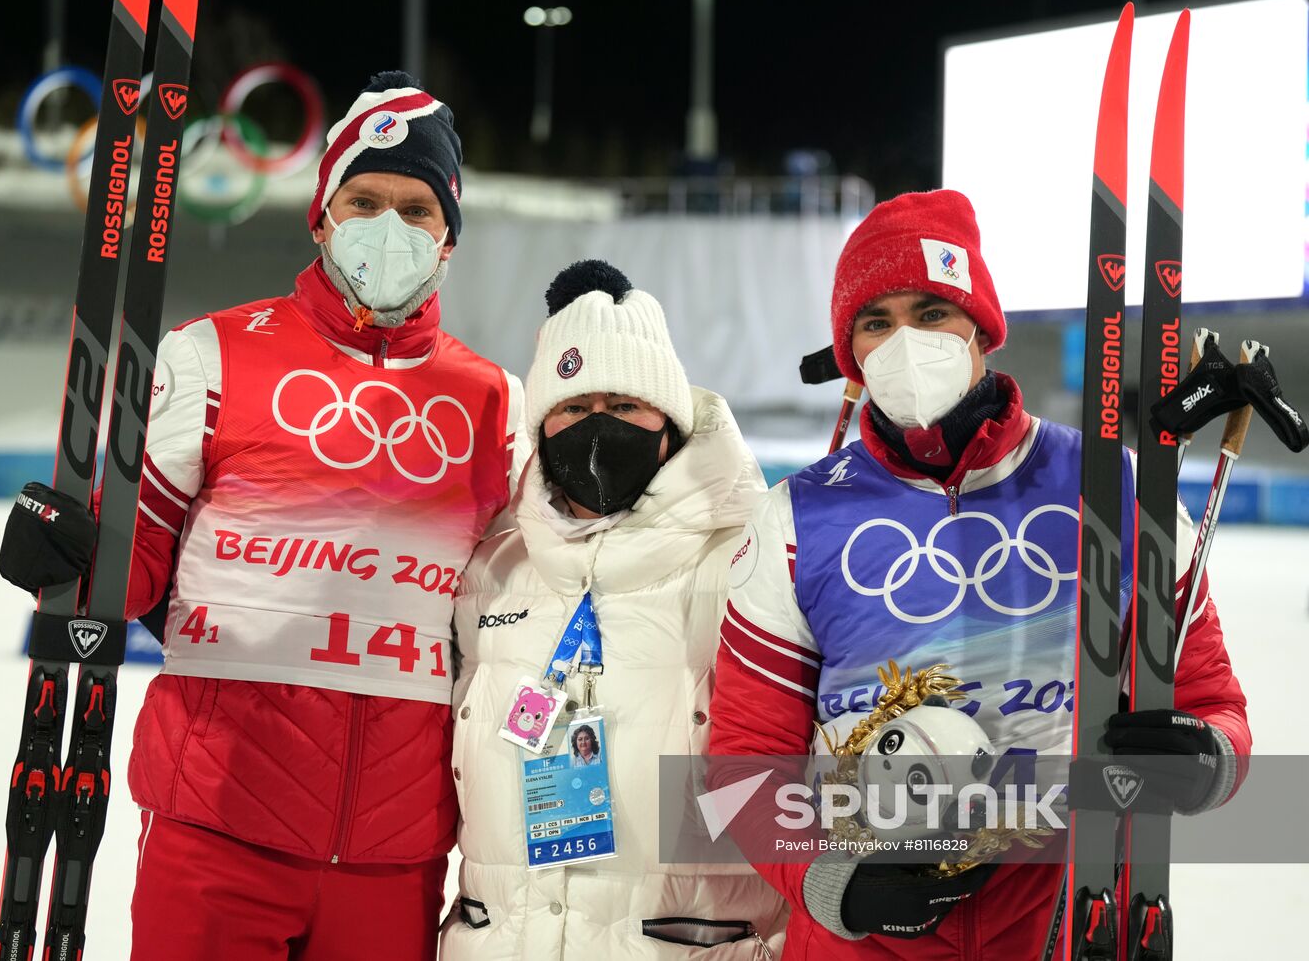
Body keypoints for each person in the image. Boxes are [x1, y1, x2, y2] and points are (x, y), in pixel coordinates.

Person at [0, 72, 521, 961]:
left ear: (448, 238)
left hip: (398, 855)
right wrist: (64, 549)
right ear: (320, 215)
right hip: (218, 829)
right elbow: (128, 577)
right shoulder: (213, 358)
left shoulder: (492, 402)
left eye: (415, 209)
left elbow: (515, 614)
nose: (387, 228)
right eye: (363, 199)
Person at [706, 190, 1251, 959]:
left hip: (1060, 924)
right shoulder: (797, 518)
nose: (904, 342)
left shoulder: (1114, 487)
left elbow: (1213, 705)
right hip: (866, 942)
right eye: (876, 322)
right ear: (853, 353)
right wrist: (834, 880)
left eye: (931, 314)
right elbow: (740, 756)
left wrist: (1203, 760)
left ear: (981, 329)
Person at [439, 260, 789, 960]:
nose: (597, 428)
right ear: (541, 428)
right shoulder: (493, 565)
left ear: (671, 421)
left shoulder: (755, 557)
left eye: (625, 405)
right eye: (572, 408)